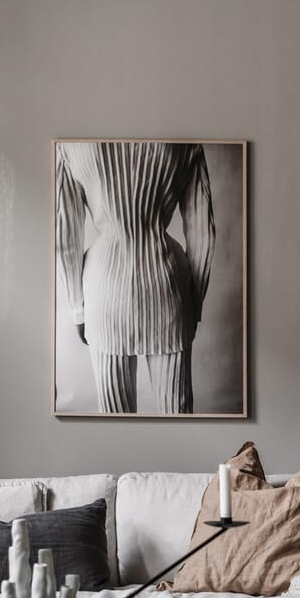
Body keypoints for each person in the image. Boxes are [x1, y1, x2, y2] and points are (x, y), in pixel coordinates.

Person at [56, 140, 215, 414]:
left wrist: (77, 308)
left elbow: (65, 237)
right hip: (168, 284)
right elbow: (204, 233)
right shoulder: (186, 141)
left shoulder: (72, 145)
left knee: (114, 420)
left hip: (104, 289)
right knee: (177, 419)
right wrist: (194, 303)